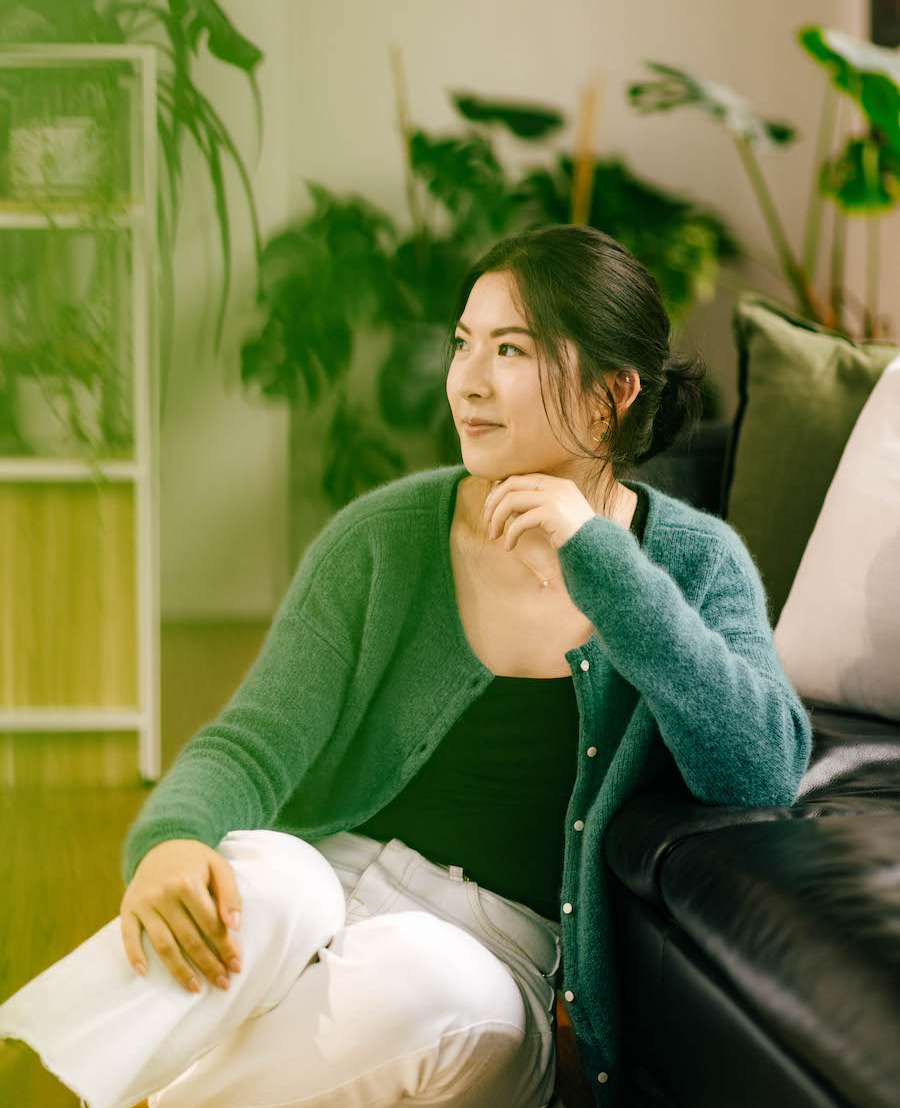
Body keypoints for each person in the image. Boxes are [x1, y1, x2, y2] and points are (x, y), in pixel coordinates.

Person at [0, 223, 813, 1108]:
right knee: (264, 886)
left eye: (511, 349)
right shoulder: (385, 537)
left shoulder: (694, 564)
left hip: (488, 966)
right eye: (463, 344)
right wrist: (172, 843)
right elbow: (256, 739)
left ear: (609, 394)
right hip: (331, 880)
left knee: (423, 982)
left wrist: (601, 559)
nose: (468, 379)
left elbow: (760, 764)